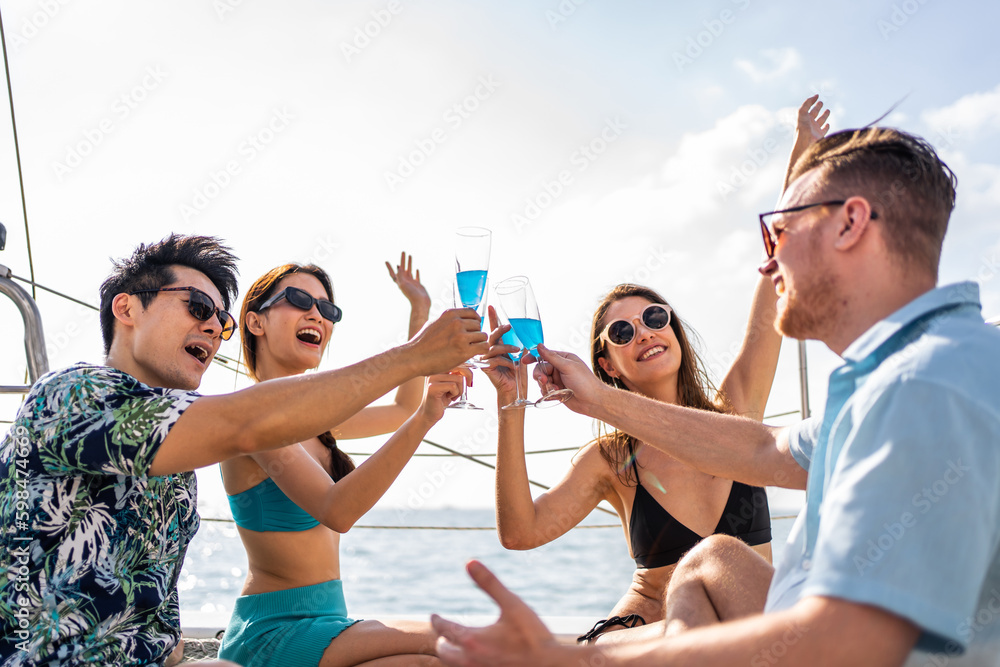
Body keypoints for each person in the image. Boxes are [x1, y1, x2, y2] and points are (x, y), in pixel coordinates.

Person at [431, 125, 1000, 666]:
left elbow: (845, 647)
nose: (766, 259)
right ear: (608, 361)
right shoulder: (901, 375)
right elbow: (766, 451)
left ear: (850, 224)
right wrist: (593, 400)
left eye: (778, 232)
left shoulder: (923, 386)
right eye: (622, 332)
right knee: (711, 557)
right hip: (721, 618)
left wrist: (574, 661)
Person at [0, 235, 486, 666]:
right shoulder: (71, 394)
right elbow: (251, 425)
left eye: (219, 318)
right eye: (196, 306)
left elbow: (154, 615)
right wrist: (415, 355)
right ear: (126, 309)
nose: (213, 327)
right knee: (456, 648)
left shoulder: (177, 468)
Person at [478, 96, 831, 644]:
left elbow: (771, 280)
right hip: (647, 624)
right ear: (605, 366)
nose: (642, 331)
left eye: (653, 317)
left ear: (674, 331)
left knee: (720, 563)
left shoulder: (735, 413)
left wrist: (800, 160)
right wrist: (510, 403)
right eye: (621, 332)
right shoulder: (610, 459)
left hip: (733, 628)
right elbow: (520, 532)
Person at [217, 258, 459, 667]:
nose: (317, 315)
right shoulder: (252, 417)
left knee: (442, 660)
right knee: (447, 640)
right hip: (274, 632)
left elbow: (401, 408)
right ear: (255, 323)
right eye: (298, 300)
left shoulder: (315, 418)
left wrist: (419, 310)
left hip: (329, 621)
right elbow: (338, 510)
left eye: (328, 310)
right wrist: (425, 418)